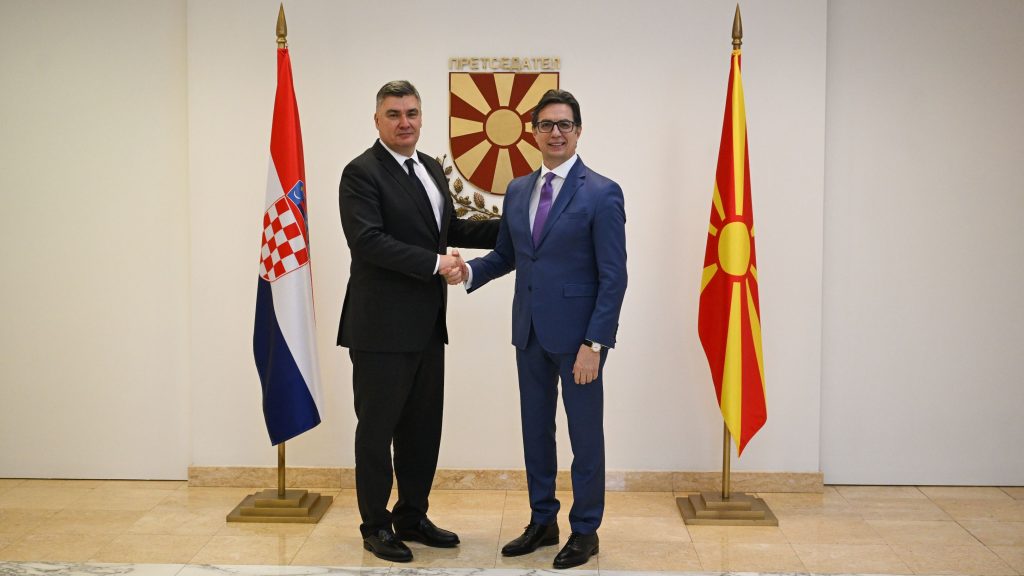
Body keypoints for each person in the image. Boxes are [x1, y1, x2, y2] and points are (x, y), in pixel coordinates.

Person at [460, 89, 627, 569]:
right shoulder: (518, 190)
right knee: (536, 431)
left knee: (585, 436)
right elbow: (507, 255)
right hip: (529, 332)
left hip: (580, 341)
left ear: (578, 131)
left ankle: (585, 529)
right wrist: (468, 272)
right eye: (547, 125)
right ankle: (542, 520)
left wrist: (596, 343)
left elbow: (614, 276)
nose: (556, 133)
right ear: (533, 133)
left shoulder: (602, 192)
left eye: (565, 124)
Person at [337, 80, 498, 563]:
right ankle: (375, 525)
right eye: (394, 114)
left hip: (427, 326)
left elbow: (448, 229)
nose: (404, 122)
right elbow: (368, 240)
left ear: (422, 117)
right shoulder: (361, 173)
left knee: (422, 430)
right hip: (380, 330)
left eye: (411, 113)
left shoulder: (429, 167)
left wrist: (520, 226)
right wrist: (436, 263)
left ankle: (412, 516)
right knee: (377, 432)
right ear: (377, 120)